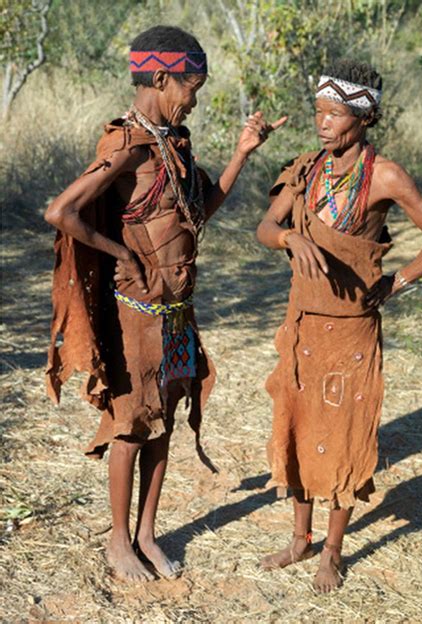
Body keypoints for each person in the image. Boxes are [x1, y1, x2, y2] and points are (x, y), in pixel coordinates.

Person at [44, 25, 286, 583]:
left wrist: (243, 155)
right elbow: (62, 212)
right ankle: (117, 541)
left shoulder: (172, 144)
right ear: (160, 77)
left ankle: (148, 533)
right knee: (131, 427)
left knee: (166, 419)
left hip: (177, 313)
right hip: (137, 315)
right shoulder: (127, 146)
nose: (194, 99)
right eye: (192, 87)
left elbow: (199, 213)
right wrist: (119, 257)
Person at [256, 59, 422, 593]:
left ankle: (331, 550)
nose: (323, 123)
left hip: (351, 329)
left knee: (345, 438)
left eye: (334, 114)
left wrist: (398, 281)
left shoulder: (385, 175)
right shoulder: (307, 169)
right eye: (318, 112)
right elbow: (266, 226)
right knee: (299, 428)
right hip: (302, 323)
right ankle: (299, 539)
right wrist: (290, 239)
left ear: (363, 117)